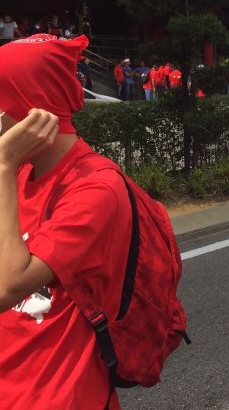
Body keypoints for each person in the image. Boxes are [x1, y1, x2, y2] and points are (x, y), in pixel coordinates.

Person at [0, 34, 133, 409]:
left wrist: (3, 164)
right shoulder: (19, 175)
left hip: (61, 397)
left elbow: (6, 287)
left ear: (32, 112)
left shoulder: (95, 188)